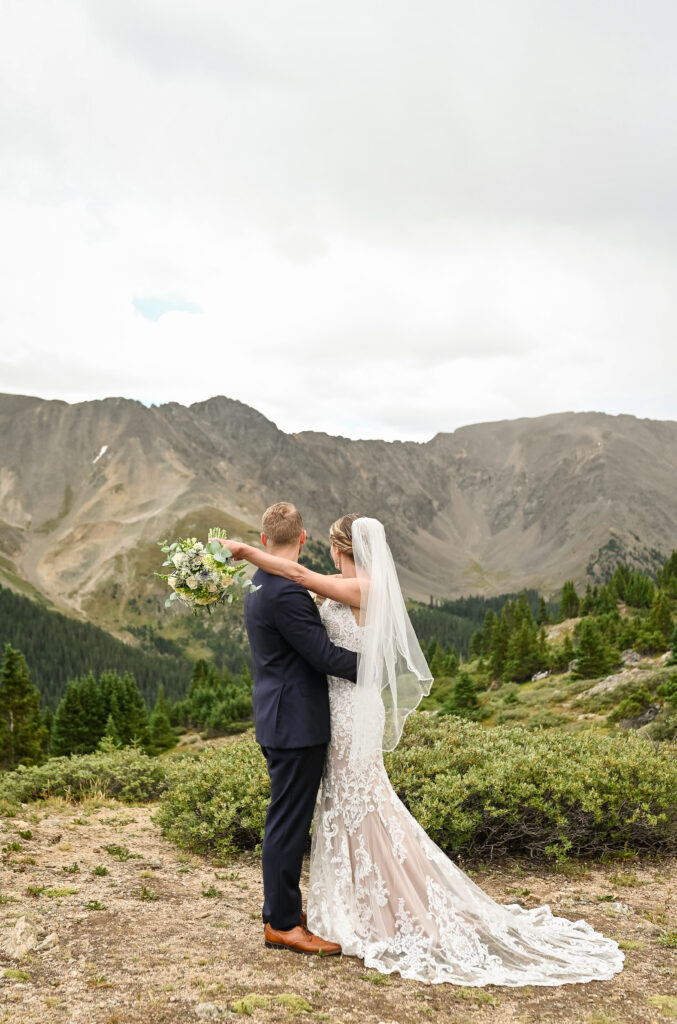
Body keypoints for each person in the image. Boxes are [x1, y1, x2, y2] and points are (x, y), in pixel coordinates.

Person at [212, 513, 625, 986]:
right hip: (336, 712)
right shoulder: (341, 582)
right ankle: (344, 906)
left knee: (362, 805)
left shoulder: (361, 588)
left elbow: (300, 577)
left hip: (350, 711)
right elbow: (299, 579)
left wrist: (245, 553)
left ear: (335, 547)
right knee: (352, 807)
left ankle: (373, 909)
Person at [236, 502, 358, 956]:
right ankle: (283, 924)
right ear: (302, 538)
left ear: (264, 540)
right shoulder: (286, 591)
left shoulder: (259, 581)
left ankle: (281, 910)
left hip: (277, 715)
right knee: (287, 823)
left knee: (284, 819)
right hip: (296, 724)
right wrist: (377, 667)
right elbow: (324, 657)